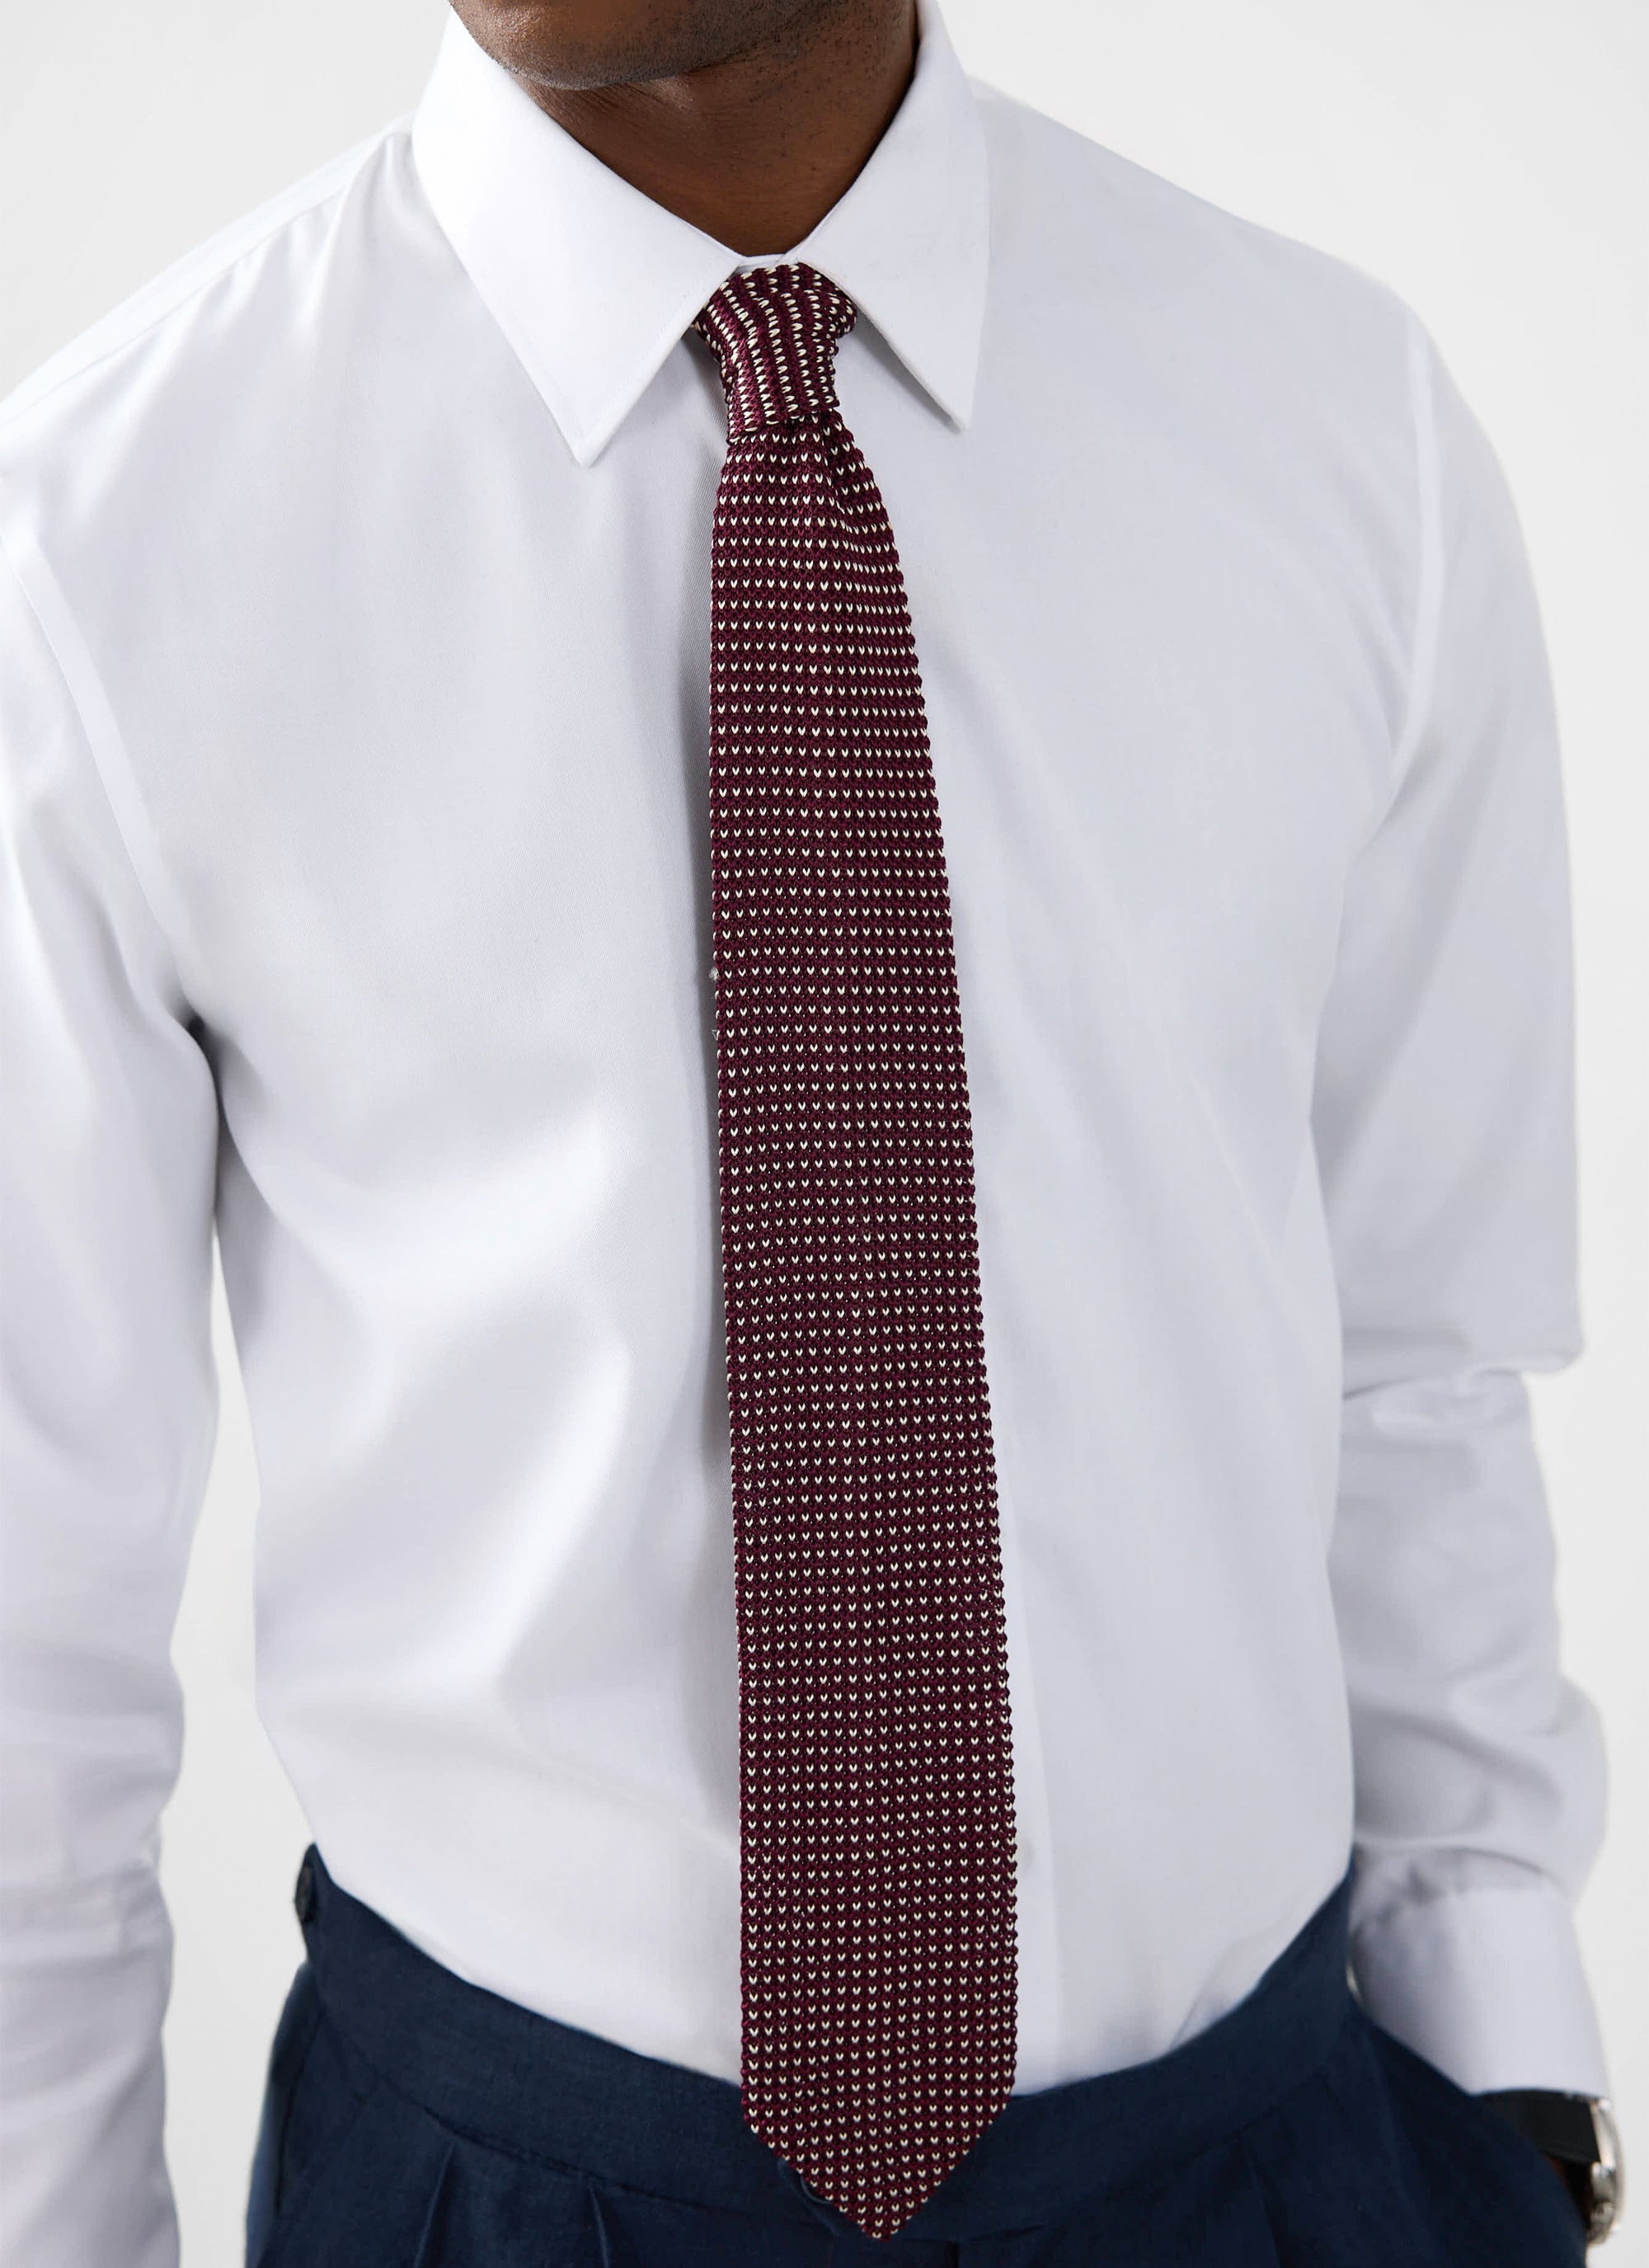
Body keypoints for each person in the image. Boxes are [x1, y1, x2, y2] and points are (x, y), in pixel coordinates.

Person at [0, 0, 1624, 2260]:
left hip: (1274, 2163)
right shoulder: (103, 539)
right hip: (509, 2193)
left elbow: (1415, 1349)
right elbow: (27, 1643)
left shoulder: (1340, 428)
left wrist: (1509, 2088)